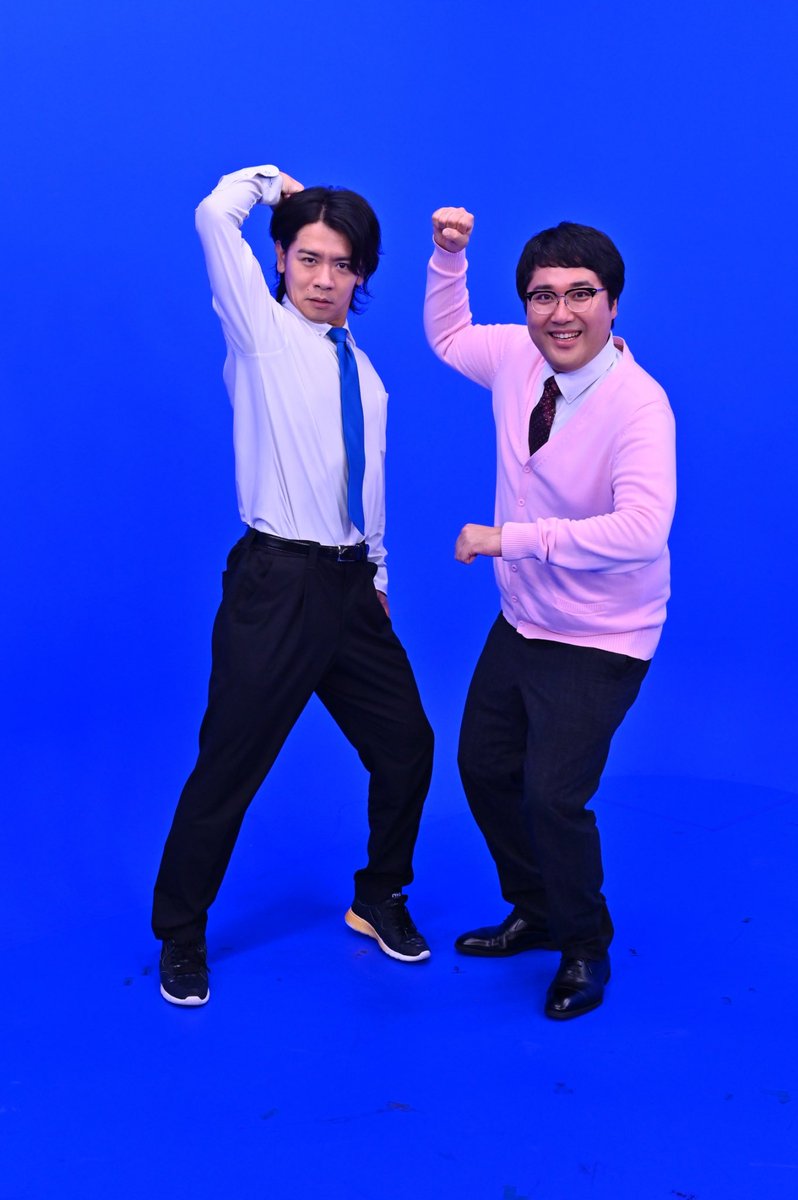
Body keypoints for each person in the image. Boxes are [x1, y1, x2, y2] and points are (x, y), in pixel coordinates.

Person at [152, 164, 434, 1006]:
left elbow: (367, 482)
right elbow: (214, 215)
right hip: (277, 584)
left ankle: (379, 896)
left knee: (408, 746)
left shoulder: (366, 374)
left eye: (342, 265)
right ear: (280, 260)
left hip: (351, 585)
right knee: (229, 765)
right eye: (308, 259)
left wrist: (378, 573)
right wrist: (274, 185)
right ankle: (180, 931)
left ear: (361, 275)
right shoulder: (261, 335)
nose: (323, 279)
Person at [424, 206, 676, 1020]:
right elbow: (448, 336)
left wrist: (513, 540)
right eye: (542, 296)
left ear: (613, 303)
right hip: (524, 619)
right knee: (483, 768)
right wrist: (449, 258)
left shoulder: (639, 406)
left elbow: (642, 532)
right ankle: (535, 908)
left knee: (552, 798)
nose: (560, 313)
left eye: (580, 294)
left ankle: (584, 944)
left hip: (603, 635)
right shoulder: (517, 358)